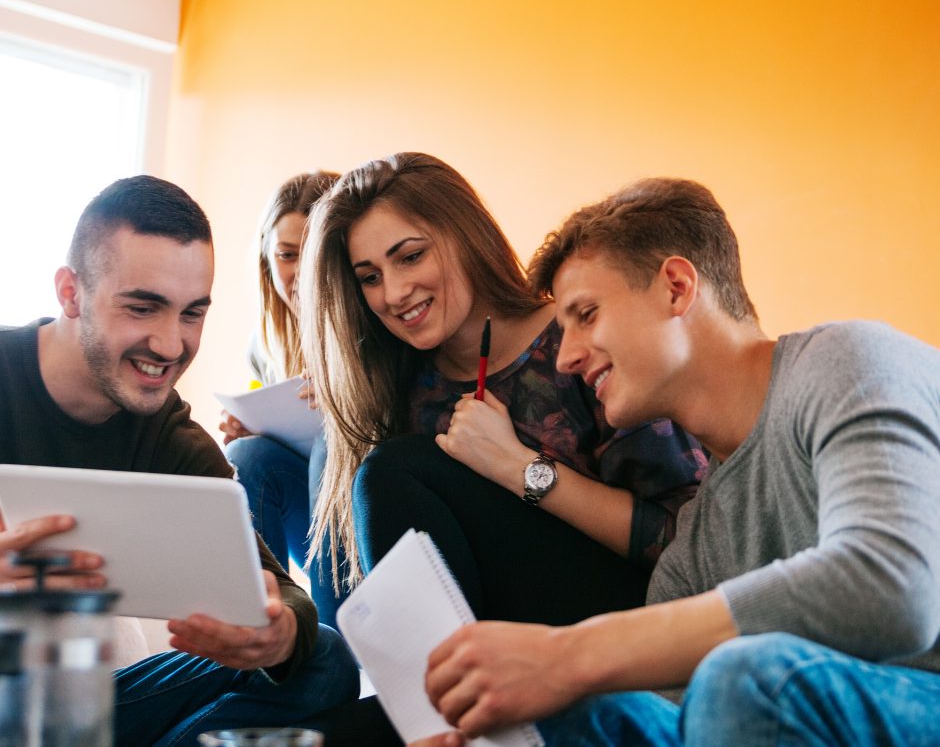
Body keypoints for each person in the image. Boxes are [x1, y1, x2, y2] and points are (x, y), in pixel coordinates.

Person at [411, 177, 940, 746]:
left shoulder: (846, 363)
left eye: (585, 314)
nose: (564, 359)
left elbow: (896, 589)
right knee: (569, 718)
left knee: (741, 678)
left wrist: (569, 653)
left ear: (676, 287)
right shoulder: (695, 548)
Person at [0, 175, 359, 746]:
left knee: (323, 657)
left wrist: (279, 632)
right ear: (70, 293)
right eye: (143, 308)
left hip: (90, 708)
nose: (170, 346)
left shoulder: (165, 431)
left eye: (192, 313)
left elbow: (272, 584)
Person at [300, 152, 707, 627]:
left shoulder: (580, 341)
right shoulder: (398, 386)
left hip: (628, 622)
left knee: (390, 470)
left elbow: (689, 540)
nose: (393, 293)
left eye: (411, 257)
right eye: (370, 278)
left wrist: (521, 469)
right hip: (491, 643)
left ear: (466, 237)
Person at [219, 170, 347, 628]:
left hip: (373, 527)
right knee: (245, 455)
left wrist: (347, 402)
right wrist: (251, 428)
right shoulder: (266, 344)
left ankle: (337, 644)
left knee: (335, 444)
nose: (302, 272)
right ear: (267, 261)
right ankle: (266, 627)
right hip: (311, 522)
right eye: (288, 255)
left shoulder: (381, 323)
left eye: (316, 254)